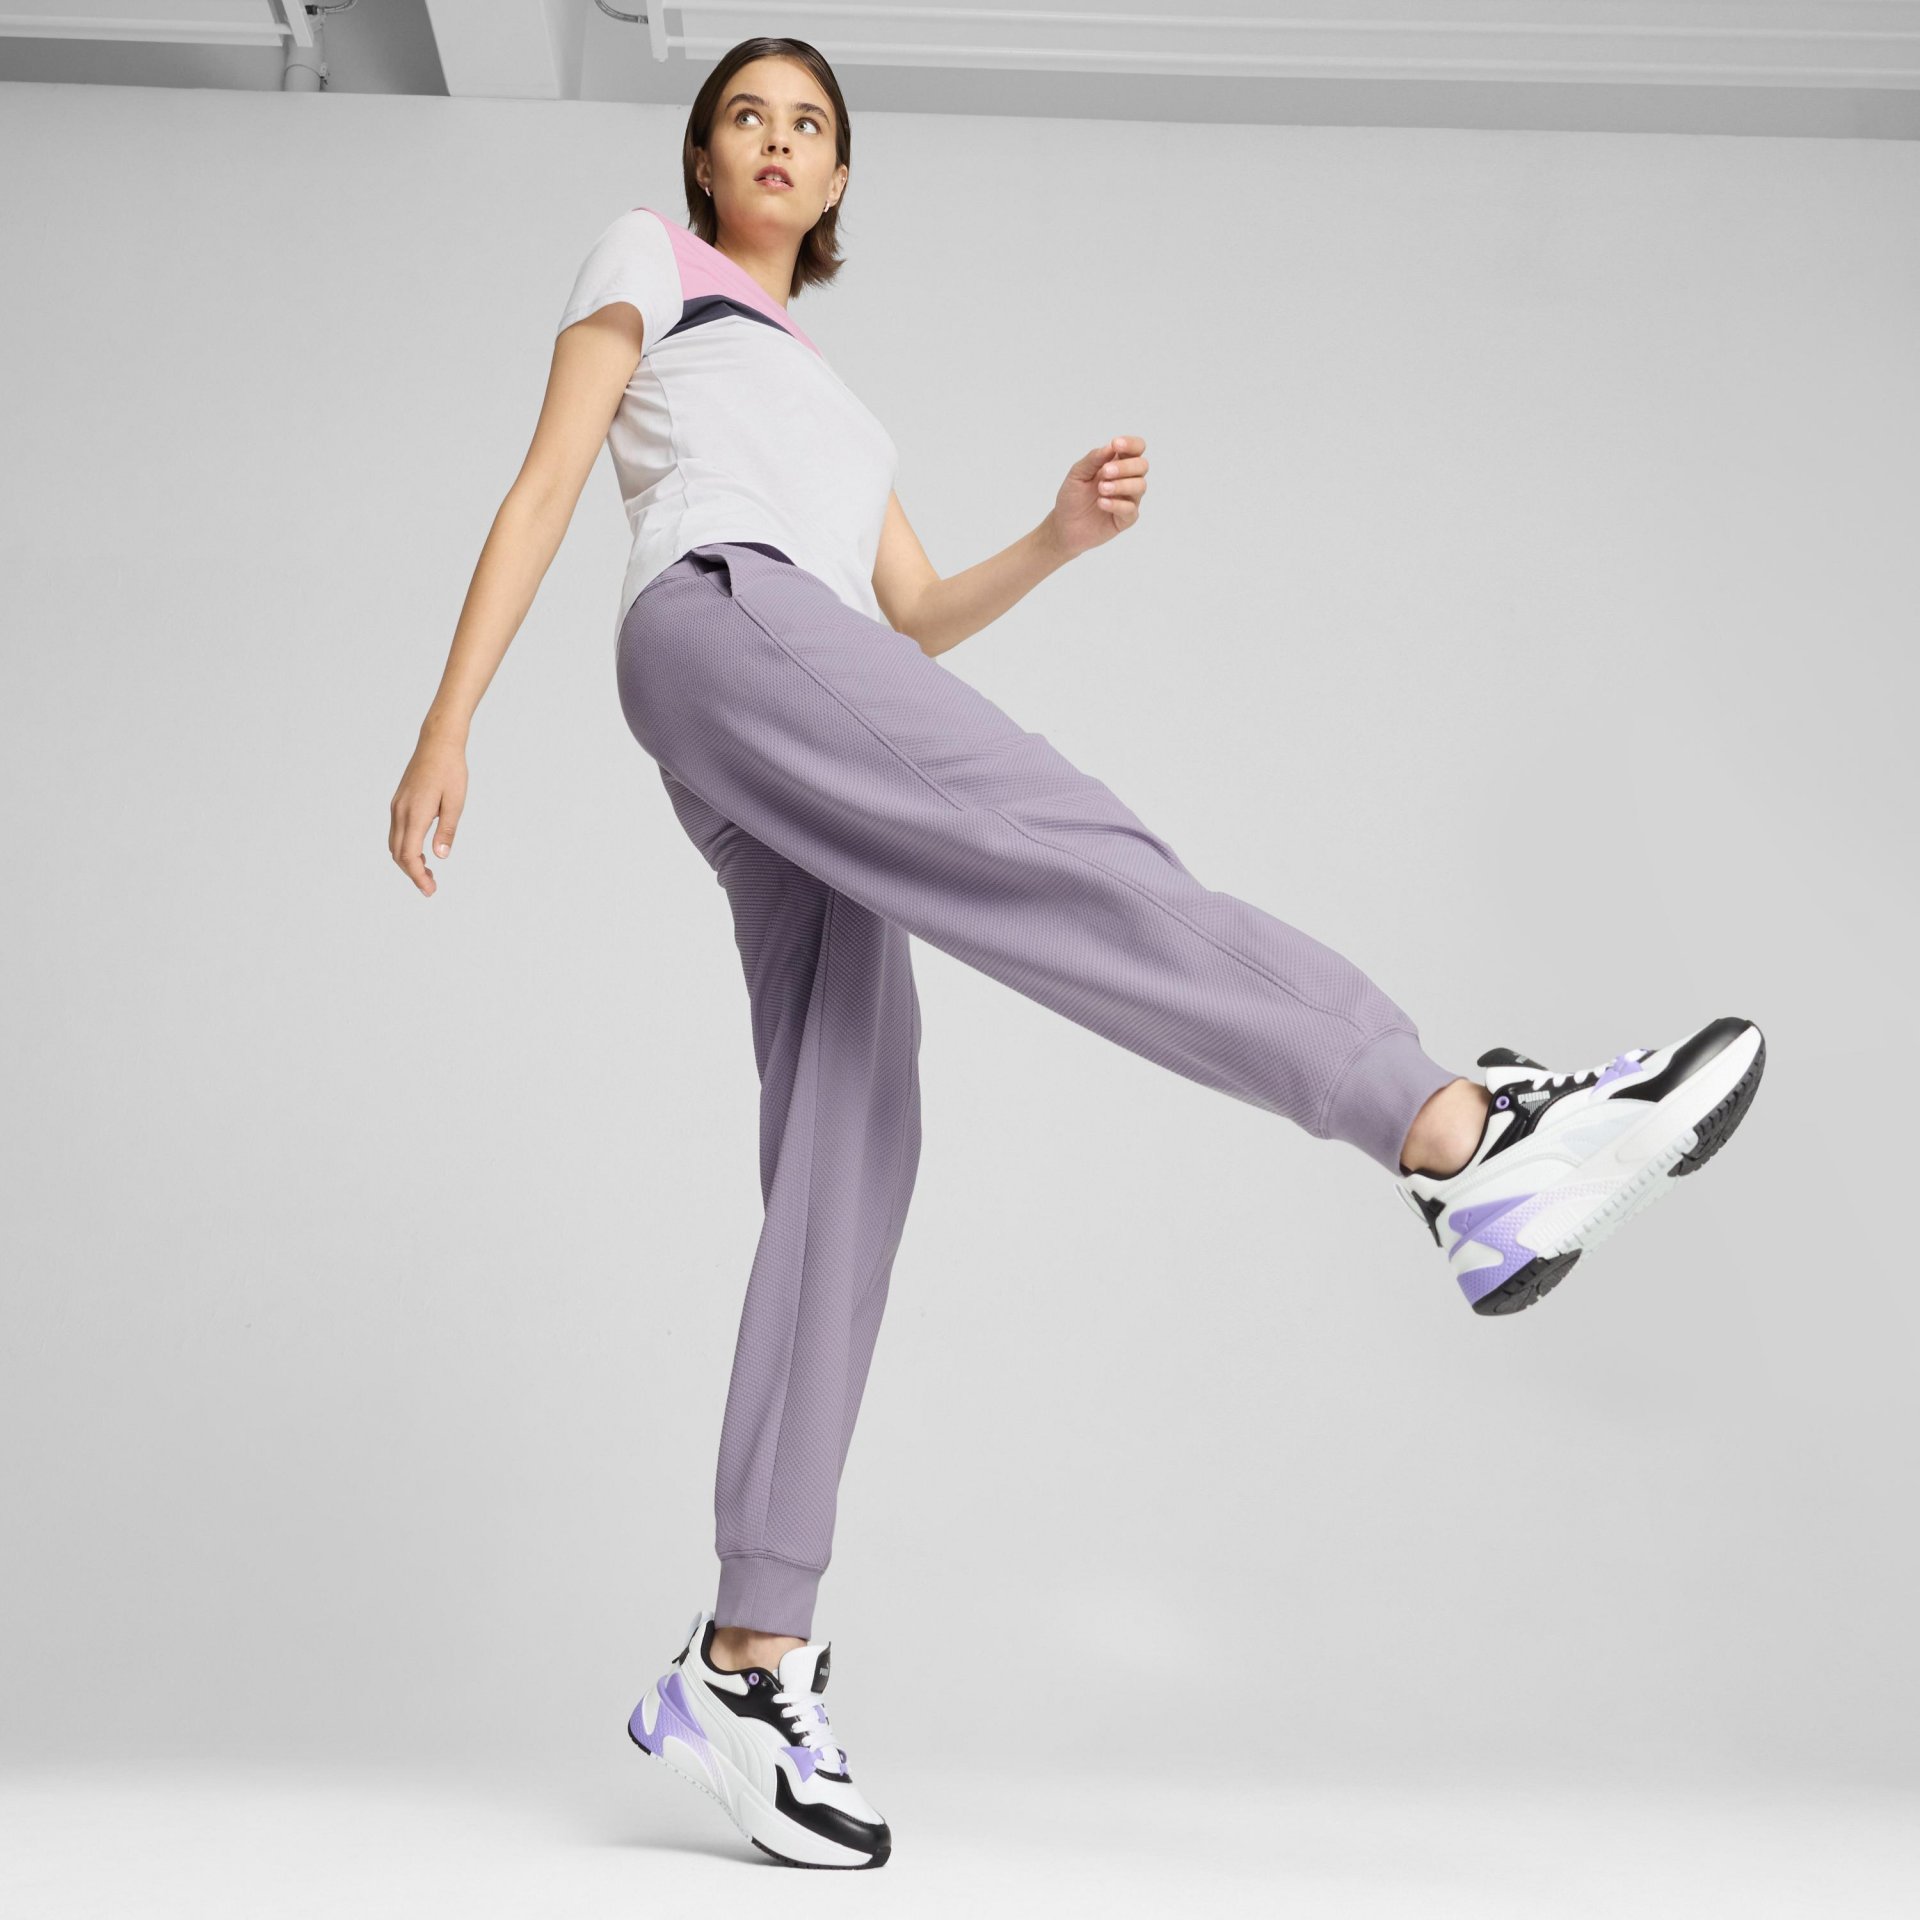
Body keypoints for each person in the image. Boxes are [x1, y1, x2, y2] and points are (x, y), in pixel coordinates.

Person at [387, 36, 1766, 1872]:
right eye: (747, 118)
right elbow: (550, 482)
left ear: (842, 178)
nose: (778, 141)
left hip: (785, 661)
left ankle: (745, 1658)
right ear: (704, 158)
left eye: (811, 124)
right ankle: (1459, 1134)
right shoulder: (652, 259)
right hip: (721, 619)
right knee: (1059, 849)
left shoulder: (828, 395)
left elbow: (908, 617)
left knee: (853, 1133)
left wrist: (1051, 537)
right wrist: (450, 721)